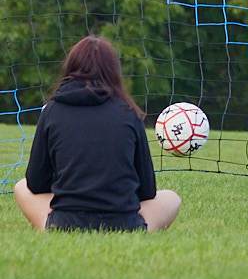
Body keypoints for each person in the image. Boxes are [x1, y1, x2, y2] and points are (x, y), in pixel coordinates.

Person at [13, 36, 182, 232]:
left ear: (70, 67)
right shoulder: (128, 112)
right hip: (124, 225)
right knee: (172, 198)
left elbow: (35, 184)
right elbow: (147, 191)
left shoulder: (51, 110)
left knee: (21, 187)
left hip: (66, 223)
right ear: (113, 71)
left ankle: (54, 228)